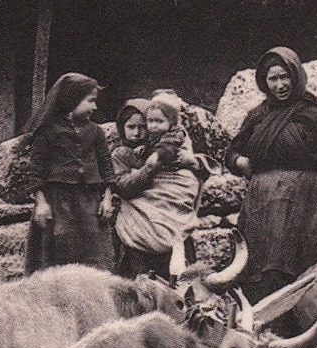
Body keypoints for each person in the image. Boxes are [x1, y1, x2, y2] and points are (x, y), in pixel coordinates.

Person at [226, 47, 317, 348]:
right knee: (263, 282)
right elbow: (231, 152)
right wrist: (245, 165)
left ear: (297, 76)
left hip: (305, 209)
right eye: (272, 79)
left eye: (285, 77)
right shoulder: (258, 115)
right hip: (262, 211)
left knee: (299, 285)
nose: (279, 85)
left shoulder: (316, 116)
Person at [24, 73, 116, 275]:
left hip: (89, 203)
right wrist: (41, 203)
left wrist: (107, 199)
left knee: (94, 254)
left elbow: (107, 169)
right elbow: (36, 170)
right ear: (71, 100)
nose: (95, 107)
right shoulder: (47, 132)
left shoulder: (96, 132)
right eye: (90, 101)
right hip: (58, 204)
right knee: (58, 253)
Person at [111, 95, 207, 281]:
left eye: (143, 126)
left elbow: (196, 175)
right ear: (121, 128)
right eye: (131, 127)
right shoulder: (120, 155)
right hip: (139, 229)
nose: (138, 133)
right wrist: (147, 170)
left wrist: (194, 163)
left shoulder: (166, 146)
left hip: (174, 220)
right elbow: (123, 186)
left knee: (181, 282)